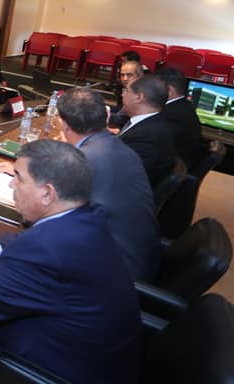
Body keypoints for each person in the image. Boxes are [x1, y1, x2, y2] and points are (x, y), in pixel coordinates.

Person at [0, 140, 141, 384]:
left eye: (18, 177)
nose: (11, 183)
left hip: (43, 369)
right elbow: (22, 239)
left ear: (47, 194)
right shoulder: (86, 219)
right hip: (89, 355)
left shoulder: (45, 251)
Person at [56, 87, 161, 281]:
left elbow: (46, 213)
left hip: (110, 274)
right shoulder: (120, 148)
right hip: (138, 257)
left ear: (64, 124)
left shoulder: (81, 161)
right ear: (106, 116)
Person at [118, 74, 179, 188]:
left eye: (126, 90)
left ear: (139, 97)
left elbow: (120, 172)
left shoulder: (148, 136)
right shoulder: (152, 123)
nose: (122, 94)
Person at [156, 66, 207, 169]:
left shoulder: (170, 115)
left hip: (168, 168)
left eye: (155, 87)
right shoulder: (183, 106)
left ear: (169, 90)